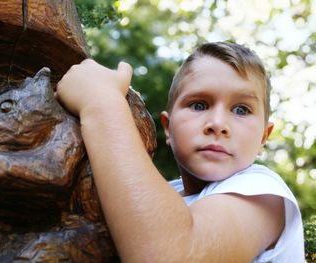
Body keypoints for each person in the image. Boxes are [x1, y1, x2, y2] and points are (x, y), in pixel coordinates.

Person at [56, 41, 304, 262]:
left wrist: (101, 102)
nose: (217, 123)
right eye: (199, 105)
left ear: (263, 137)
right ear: (168, 129)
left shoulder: (264, 192)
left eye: (241, 110)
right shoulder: (167, 192)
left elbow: (175, 254)